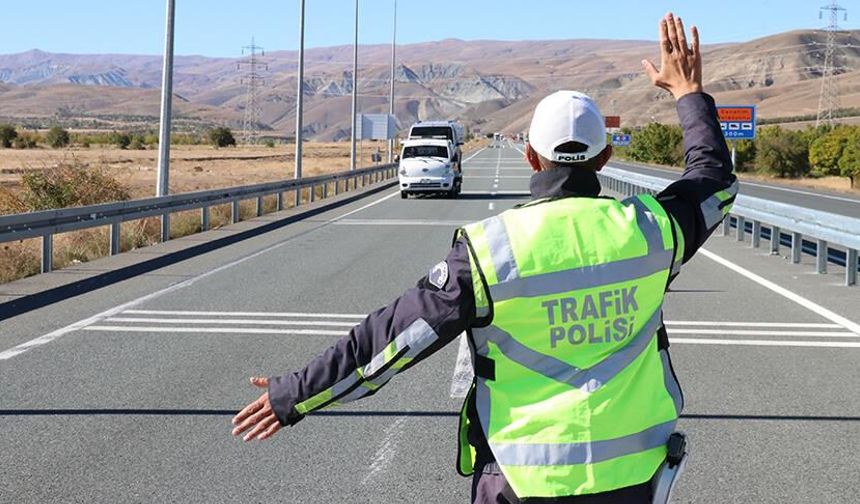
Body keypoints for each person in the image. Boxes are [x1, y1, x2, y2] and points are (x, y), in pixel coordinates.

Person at [232, 13, 737, 504]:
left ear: (530, 157)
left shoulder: (490, 252)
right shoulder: (652, 229)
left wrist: (294, 395)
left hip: (522, 481)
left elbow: (388, 341)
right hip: (635, 476)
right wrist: (688, 93)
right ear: (604, 159)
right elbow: (713, 178)